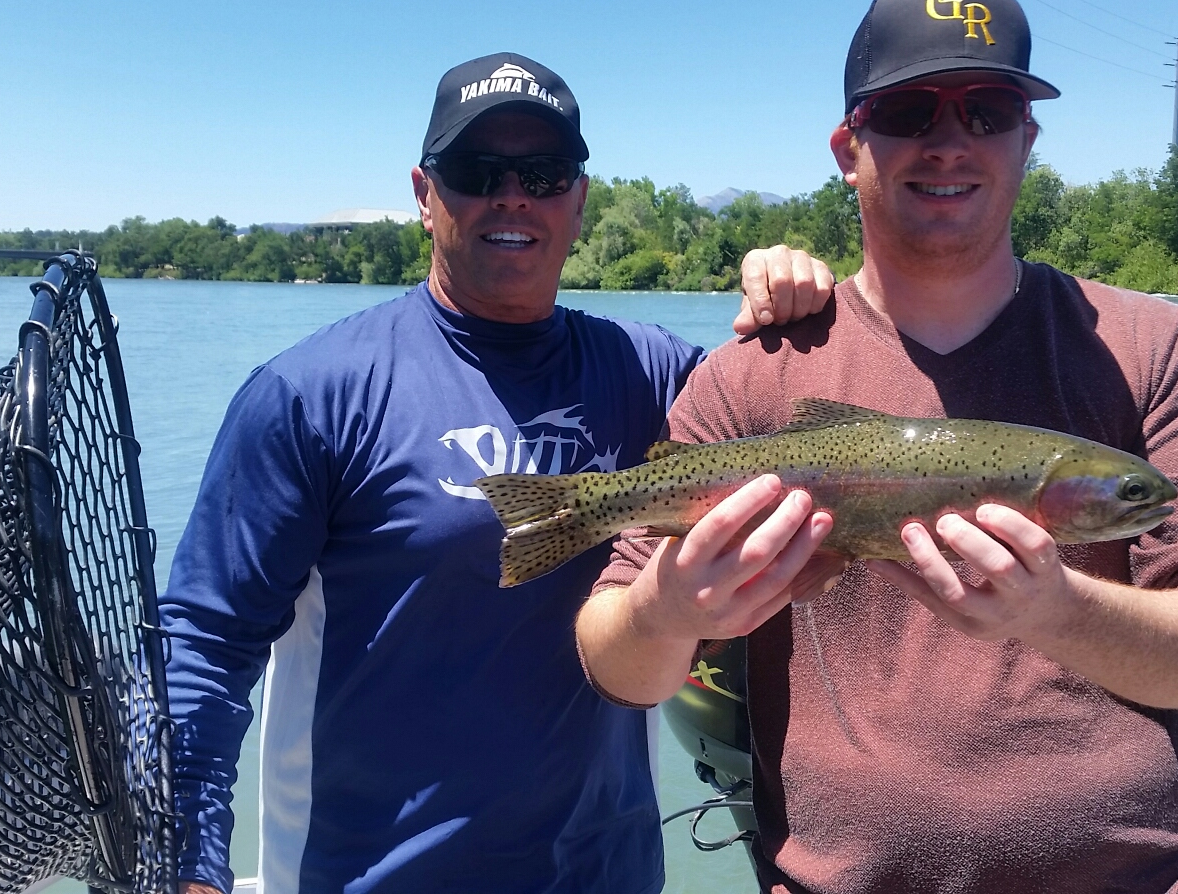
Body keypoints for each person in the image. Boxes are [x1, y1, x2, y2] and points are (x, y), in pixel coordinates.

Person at [575, 0, 1178, 892]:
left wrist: (1056, 612)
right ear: (850, 146)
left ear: (1026, 141)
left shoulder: (1155, 349)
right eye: (911, 109)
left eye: (988, 110)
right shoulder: (753, 372)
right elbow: (613, 657)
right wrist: (670, 611)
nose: (950, 141)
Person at [161, 53, 833, 894]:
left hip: (611, 875)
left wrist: (799, 307)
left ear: (579, 201)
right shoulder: (310, 395)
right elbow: (202, 645)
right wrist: (188, 864)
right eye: (478, 171)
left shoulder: (655, 375)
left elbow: (808, 436)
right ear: (424, 193)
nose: (512, 195)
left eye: (544, 172)